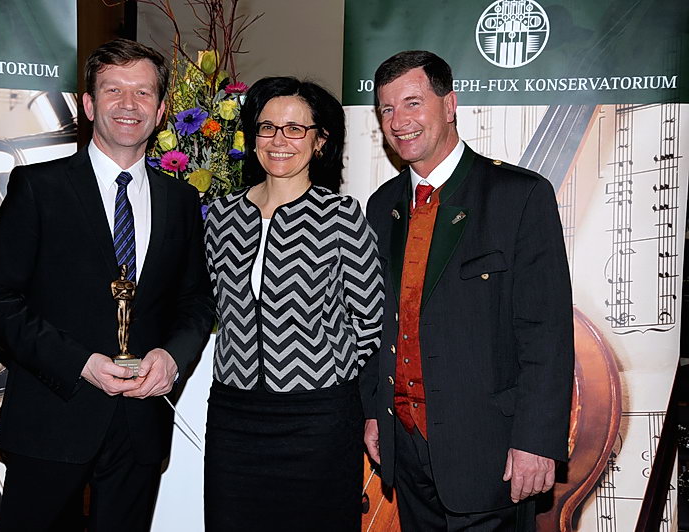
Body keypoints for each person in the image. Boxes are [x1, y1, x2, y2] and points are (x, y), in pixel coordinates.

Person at [0, 38, 214, 531]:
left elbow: (196, 301)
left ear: (161, 110)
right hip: (52, 419)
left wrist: (172, 358)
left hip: (140, 426)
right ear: (88, 104)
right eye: (113, 90)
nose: (128, 104)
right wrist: (79, 363)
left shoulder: (181, 200)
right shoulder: (38, 188)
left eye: (142, 92)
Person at [360, 50, 574, 531]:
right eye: (387, 109)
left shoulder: (518, 196)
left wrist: (536, 441)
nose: (399, 121)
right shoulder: (381, 206)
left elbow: (546, 333)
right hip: (406, 450)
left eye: (413, 103)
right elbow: (377, 322)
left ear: (450, 104)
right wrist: (376, 412)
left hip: (491, 454)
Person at [203, 77, 384, 532]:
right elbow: (207, 304)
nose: (278, 140)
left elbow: (370, 319)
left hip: (318, 418)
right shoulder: (222, 216)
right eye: (267, 127)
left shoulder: (341, 216)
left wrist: (324, 369)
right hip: (234, 416)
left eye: (295, 129)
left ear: (320, 141)